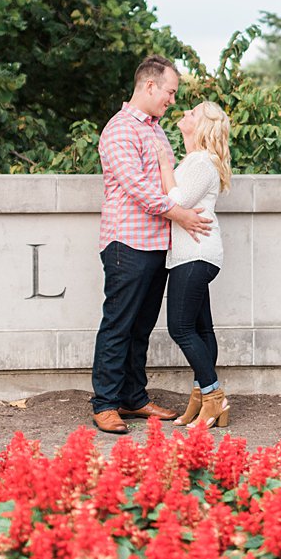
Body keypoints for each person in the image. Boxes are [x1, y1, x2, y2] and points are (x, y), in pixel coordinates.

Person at [90, 55, 213, 435]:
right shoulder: (120, 130)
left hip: (156, 243)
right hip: (127, 242)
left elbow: (166, 180)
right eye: (170, 92)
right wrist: (179, 213)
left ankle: (133, 397)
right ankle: (105, 403)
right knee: (119, 324)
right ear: (149, 86)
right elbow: (138, 187)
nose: (172, 100)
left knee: (141, 326)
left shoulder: (155, 130)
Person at [155, 101, 232, 429]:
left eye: (193, 113)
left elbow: (177, 201)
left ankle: (215, 397)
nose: (185, 114)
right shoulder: (195, 160)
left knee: (180, 328)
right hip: (192, 254)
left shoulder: (202, 161)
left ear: (202, 126)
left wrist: (163, 164)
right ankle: (201, 399)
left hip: (197, 254)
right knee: (201, 329)